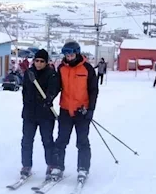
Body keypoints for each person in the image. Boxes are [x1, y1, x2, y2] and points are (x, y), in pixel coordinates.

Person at [48, 41, 98, 183]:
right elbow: (57, 86)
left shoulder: (87, 69)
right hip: (65, 110)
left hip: (82, 112)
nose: (68, 57)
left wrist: (91, 109)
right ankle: (58, 166)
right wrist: (50, 97)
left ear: (77, 53)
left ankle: (83, 168)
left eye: (71, 54)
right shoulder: (62, 68)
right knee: (61, 140)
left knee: (82, 141)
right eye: (66, 55)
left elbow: (93, 90)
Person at [18, 49, 60, 178]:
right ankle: (26, 165)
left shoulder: (52, 74)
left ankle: (51, 164)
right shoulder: (29, 73)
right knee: (26, 141)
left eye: (42, 61)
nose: (39, 63)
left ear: (46, 62)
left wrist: (49, 98)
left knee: (47, 140)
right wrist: (27, 104)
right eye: (36, 61)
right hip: (29, 114)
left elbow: (54, 89)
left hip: (45, 115)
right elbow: (25, 91)